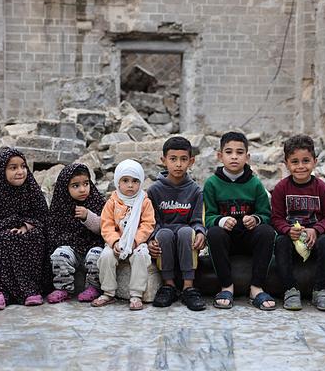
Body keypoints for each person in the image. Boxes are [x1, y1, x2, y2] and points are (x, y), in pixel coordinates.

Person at [0, 147, 51, 311]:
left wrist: (26, 226)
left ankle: (31, 290)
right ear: (1, 170)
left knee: (37, 236)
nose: (20, 171)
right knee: (5, 238)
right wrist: (11, 224)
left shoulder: (31, 190)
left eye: (23, 166)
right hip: (2, 241)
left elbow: (43, 217)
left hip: (29, 236)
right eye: (13, 168)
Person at [204, 132, 277, 310]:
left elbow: (267, 215)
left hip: (248, 239)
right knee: (214, 233)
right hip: (226, 240)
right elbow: (208, 217)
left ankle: (256, 288)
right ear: (220, 156)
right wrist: (221, 221)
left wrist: (256, 219)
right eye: (229, 152)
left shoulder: (255, 184)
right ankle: (226, 287)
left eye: (240, 152)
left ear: (248, 157)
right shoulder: (212, 184)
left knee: (267, 232)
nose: (234, 156)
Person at [271, 134, 325, 311]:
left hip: (314, 239)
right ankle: (290, 290)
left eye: (306, 161)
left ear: (315, 162)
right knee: (281, 242)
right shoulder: (281, 188)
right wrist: (286, 230)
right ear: (286, 164)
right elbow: (276, 218)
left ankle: (320, 290)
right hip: (291, 239)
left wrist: (316, 230)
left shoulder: (321, 188)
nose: (301, 166)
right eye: (295, 162)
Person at [147, 137, 207, 311]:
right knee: (163, 233)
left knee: (186, 232)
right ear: (163, 160)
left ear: (191, 161)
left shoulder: (195, 190)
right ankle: (169, 286)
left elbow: (197, 220)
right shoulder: (154, 190)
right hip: (164, 236)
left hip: (185, 235)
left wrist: (201, 232)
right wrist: (150, 239)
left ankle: (188, 287)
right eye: (173, 159)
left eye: (183, 159)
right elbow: (152, 222)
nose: (178, 164)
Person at [91, 159, 155, 310]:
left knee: (140, 256)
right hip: (116, 243)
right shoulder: (112, 202)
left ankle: (136, 294)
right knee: (106, 256)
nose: (130, 185)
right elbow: (106, 226)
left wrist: (134, 241)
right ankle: (108, 292)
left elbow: (147, 224)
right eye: (125, 180)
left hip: (136, 243)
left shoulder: (144, 202)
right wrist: (114, 243)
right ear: (117, 182)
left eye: (135, 181)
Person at [46, 163, 106, 304]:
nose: (82, 189)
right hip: (70, 247)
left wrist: (88, 216)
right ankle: (63, 288)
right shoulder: (60, 205)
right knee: (59, 255)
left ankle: (93, 287)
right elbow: (53, 230)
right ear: (65, 188)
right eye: (75, 186)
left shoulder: (97, 202)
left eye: (86, 183)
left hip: (93, 244)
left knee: (96, 256)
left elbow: (104, 227)